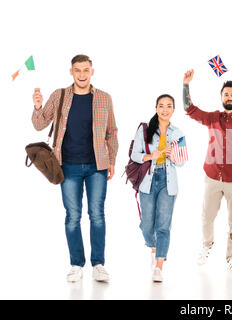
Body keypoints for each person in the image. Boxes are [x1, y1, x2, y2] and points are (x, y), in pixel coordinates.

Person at [31, 54, 118, 282]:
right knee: (72, 216)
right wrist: (38, 106)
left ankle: (98, 264)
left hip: (97, 165)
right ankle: (76, 264)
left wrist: (112, 160)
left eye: (86, 70)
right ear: (71, 71)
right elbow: (40, 124)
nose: (82, 74)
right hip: (67, 165)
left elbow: (112, 131)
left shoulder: (104, 98)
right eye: (77, 70)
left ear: (92, 71)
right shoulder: (60, 95)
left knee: (97, 215)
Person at [182, 69, 232, 273]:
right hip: (212, 175)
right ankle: (207, 244)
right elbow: (189, 109)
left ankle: (231, 258)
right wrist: (186, 85)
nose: (229, 97)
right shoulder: (213, 118)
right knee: (207, 216)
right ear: (221, 97)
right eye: (226, 94)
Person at [131, 94, 187, 283]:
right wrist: (151, 156)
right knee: (147, 225)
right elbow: (134, 155)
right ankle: (153, 246)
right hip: (148, 180)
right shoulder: (145, 130)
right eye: (161, 106)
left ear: (173, 110)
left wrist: (173, 156)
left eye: (168, 106)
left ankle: (159, 266)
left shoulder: (178, 133)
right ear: (156, 108)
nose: (165, 109)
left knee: (163, 225)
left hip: (168, 181)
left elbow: (182, 162)